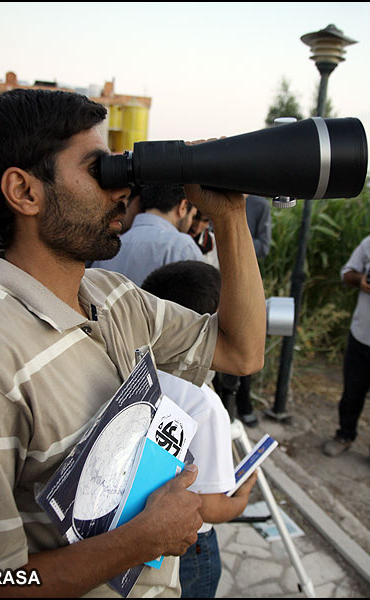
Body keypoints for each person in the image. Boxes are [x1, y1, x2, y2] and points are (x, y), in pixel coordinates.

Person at [0, 88, 266, 598]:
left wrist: (230, 214)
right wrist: (139, 542)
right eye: (97, 171)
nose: (121, 192)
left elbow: (242, 352)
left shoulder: (113, 296)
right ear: (24, 191)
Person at [142, 261, 258, 598]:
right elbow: (208, 507)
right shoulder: (204, 404)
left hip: (143, 533)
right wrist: (242, 499)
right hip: (192, 549)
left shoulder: (135, 370)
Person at [214, 195, 272, 427]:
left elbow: (264, 246)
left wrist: (231, 232)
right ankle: (219, 404)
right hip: (212, 280)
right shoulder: (212, 192)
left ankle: (243, 405)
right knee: (215, 344)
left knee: (242, 345)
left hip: (243, 285)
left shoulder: (259, 205)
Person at [91, 183, 204, 285]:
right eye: (193, 216)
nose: (190, 223)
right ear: (183, 207)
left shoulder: (109, 247)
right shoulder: (182, 247)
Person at [323, 235, 370, 457]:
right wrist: (362, 280)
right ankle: (345, 435)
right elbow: (347, 273)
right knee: (352, 392)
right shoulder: (368, 243)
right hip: (361, 335)